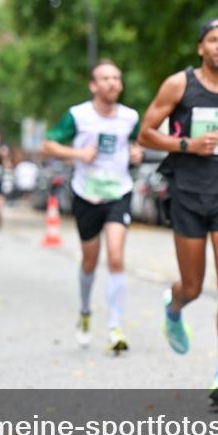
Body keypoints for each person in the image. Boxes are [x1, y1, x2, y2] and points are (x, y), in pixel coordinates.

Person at [139, 18, 218, 409]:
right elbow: (145, 133)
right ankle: (174, 308)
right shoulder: (179, 85)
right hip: (188, 193)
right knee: (193, 286)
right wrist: (186, 145)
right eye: (213, 40)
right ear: (201, 48)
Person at [41, 59, 143, 354]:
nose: (112, 83)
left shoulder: (130, 117)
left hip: (118, 192)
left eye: (116, 78)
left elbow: (137, 145)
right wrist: (77, 153)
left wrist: (137, 153)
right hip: (86, 194)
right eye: (105, 78)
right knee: (90, 260)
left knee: (115, 255)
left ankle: (115, 326)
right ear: (93, 85)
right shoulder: (77, 116)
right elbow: (47, 146)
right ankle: (85, 311)